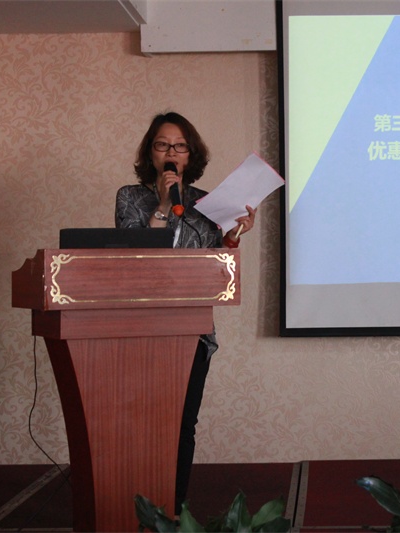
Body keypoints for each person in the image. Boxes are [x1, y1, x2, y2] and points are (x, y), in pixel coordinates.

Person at [115, 111, 256, 514]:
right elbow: (135, 257)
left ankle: (173, 509)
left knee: (182, 424)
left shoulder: (209, 204)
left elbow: (215, 267)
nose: (171, 153)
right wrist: (163, 204)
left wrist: (232, 236)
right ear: (151, 153)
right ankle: (135, 506)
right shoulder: (130, 197)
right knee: (141, 423)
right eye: (162, 145)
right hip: (141, 330)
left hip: (193, 331)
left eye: (179, 146)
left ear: (190, 155)